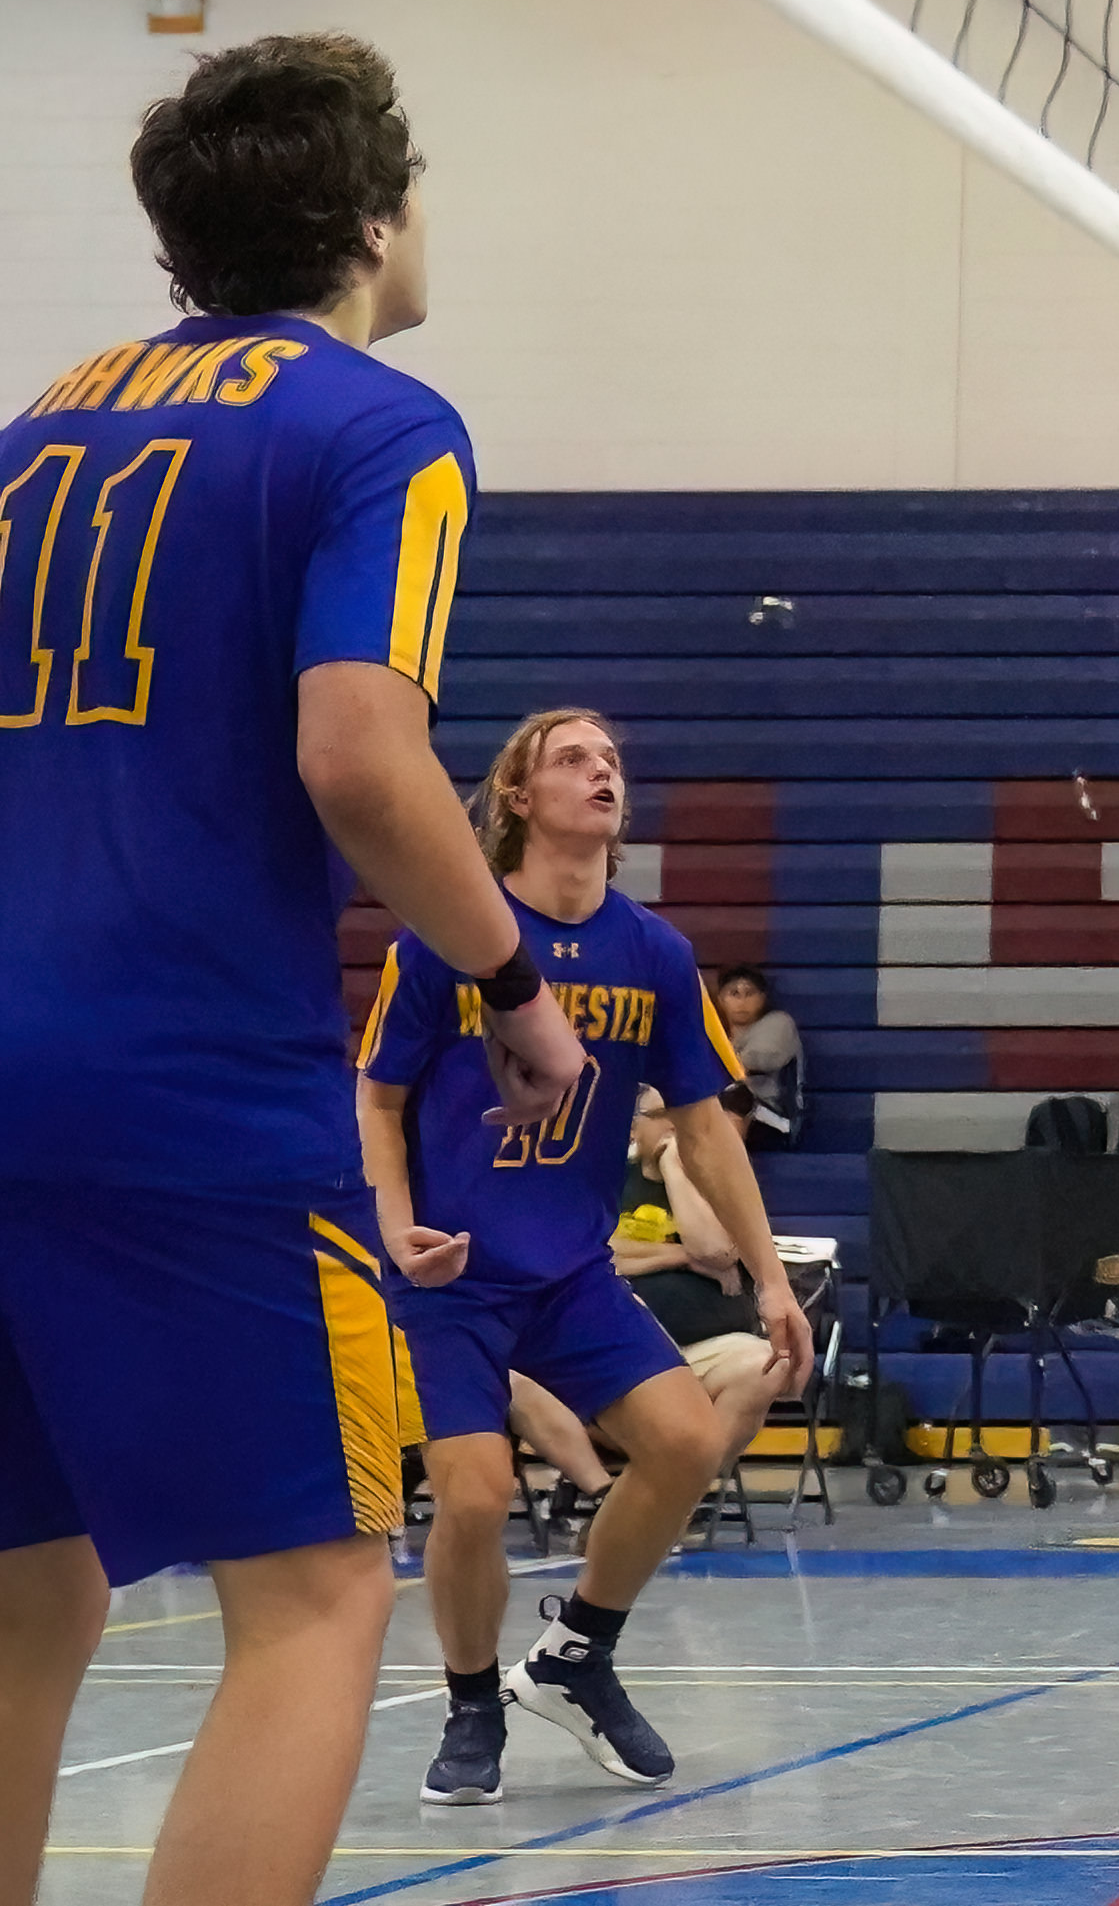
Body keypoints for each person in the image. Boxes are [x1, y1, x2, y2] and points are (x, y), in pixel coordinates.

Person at [0, 34, 589, 1906]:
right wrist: (508, 980)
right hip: (189, 1093)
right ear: (370, 215)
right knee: (322, 1592)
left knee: (25, 1600)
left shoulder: (32, 430)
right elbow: (359, 751)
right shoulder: (375, 424)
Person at [359, 707, 810, 1805]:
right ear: (517, 795)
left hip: (570, 1271)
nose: (601, 770)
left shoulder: (653, 950)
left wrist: (771, 1275)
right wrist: (392, 1222)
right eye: (572, 757)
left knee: (688, 1439)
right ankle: (473, 1704)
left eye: (610, 759)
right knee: (471, 1495)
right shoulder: (442, 933)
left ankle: (576, 1653)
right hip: (451, 1273)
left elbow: (705, 1126)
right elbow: (374, 1099)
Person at [609, 1084, 788, 1472]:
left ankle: (682, 1485)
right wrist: (680, 1256)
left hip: (706, 1350)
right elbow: (600, 1255)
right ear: (634, 1128)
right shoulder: (607, 1179)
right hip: (621, 1352)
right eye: (659, 1115)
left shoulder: (718, 1183)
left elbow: (716, 1249)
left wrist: (676, 1168)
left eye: (680, 1111)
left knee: (766, 1365)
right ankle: (639, 1487)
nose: (673, 1123)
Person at [712, 965, 801, 1146]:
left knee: (736, 1096)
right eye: (734, 993)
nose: (742, 1001)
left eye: (749, 993)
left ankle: (729, 1168)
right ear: (721, 999)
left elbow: (759, 1060)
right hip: (722, 1111)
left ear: (762, 998)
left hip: (773, 1118)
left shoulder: (778, 1023)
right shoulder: (716, 1033)